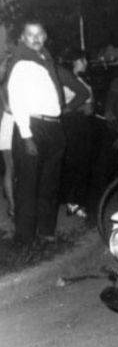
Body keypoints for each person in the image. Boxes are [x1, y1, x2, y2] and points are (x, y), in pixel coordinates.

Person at [6, 19, 66, 248]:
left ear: (45, 36)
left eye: (40, 34)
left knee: (49, 184)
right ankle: (23, 239)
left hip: (53, 126)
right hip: (32, 127)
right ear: (22, 38)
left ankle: (47, 232)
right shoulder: (21, 62)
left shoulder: (45, 60)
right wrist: (26, 135)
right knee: (29, 186)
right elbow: (17, 100)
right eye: (30, 35)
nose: (36, 38)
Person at [58, 50, 93, 219]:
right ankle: (72, 202)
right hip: (73, 124)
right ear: (73, 61)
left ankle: (76, 200)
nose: (85, 63)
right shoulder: (66, 81)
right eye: (82, 60)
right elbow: (65, 106)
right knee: (75, 164)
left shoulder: (82, 79)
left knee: (82, 164)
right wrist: (74, 109)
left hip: (83, 124)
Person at [0, 54, 14, 219]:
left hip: (8, 125)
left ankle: (13, 205)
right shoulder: (6, 84)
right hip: (11, 125)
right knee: (12, 169)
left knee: (11, 169)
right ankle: (12, 206)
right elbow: (9, 108)